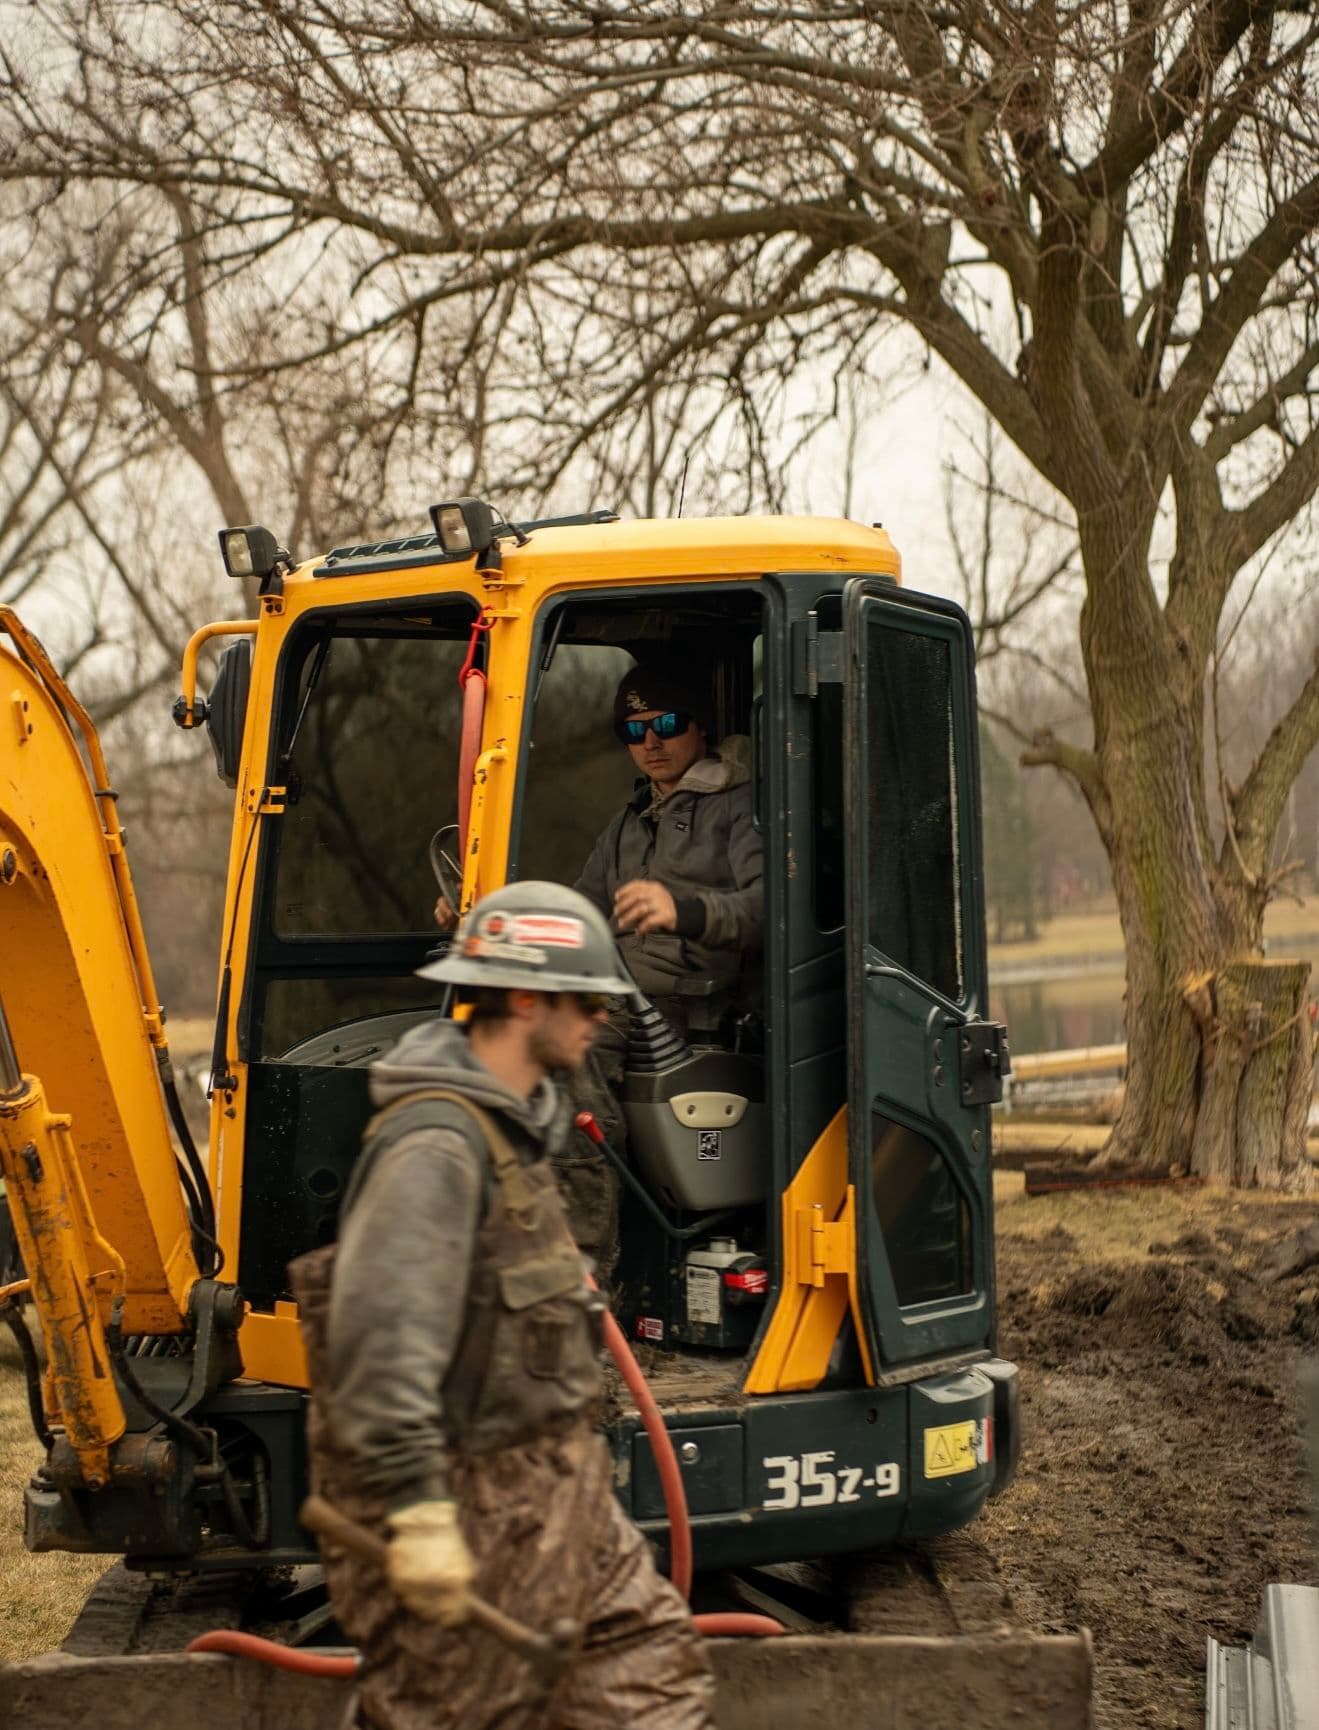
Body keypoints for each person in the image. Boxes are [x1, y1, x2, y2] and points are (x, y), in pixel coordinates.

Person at [289, 881, 716, 1730]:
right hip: (464, 1512)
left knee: (655, 1686)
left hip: (558, 1503)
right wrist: (417, 1517)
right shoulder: (435, 1149)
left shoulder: (512, 1134)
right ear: (525, 996)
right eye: (588, 999)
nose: (603, 1019)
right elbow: (380, 1348)